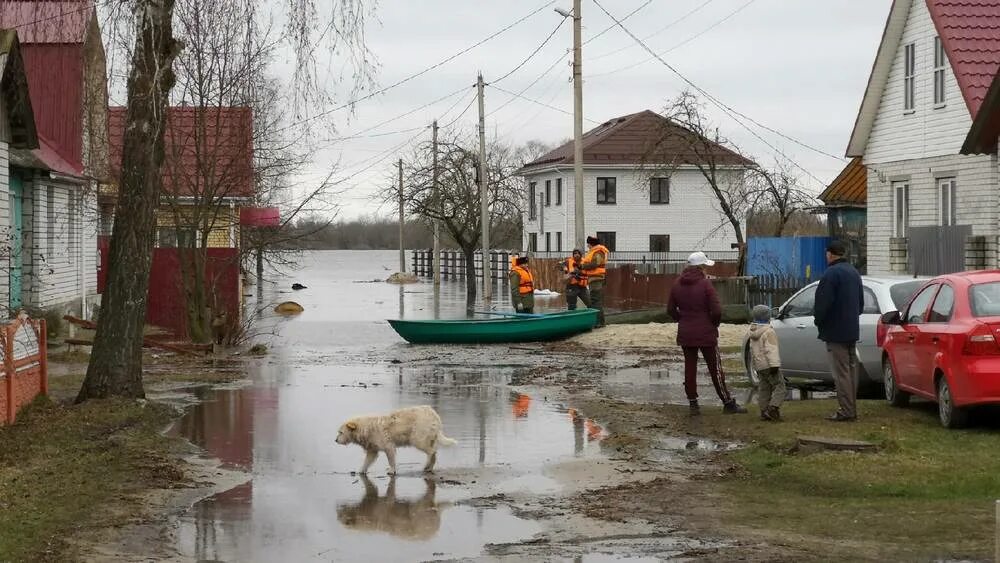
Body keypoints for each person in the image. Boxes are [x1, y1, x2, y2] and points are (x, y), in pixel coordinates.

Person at [668, 251, 747, 415]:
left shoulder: (676, 284)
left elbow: (670, 309)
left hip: (686, 332)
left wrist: (682, 320)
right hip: (706, 332)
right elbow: (716, 310)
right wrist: (713, 324)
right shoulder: (705, 285)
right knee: (715, 368)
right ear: (701, 267)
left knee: (690, 368)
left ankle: (693, 404)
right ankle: (727, 402)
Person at [814, 240, 864, 422]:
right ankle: (852, 407)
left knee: (841, 372)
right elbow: (860, 303)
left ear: (830, 254)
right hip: (851, 329)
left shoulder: (831, 274)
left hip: (835, 331)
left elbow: (822, 304)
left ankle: (847, 410)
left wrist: (818, 321)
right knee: (851, 371)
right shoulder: (853, 272)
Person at [748, 305, 785, 422]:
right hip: (769, 365)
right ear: (767, 317)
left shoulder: (753, 331)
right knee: (780, 387)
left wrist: (754, 365)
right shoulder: (769, 332)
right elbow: (771, 349)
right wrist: (775, 365)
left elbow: (752, 350)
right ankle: (773, 408)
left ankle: (764, 410)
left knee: (764, 388)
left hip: (759, 366)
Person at [579, 236, 609, 326]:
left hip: (597, 278)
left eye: (588, 244)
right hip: (594, 279)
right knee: (595, 300)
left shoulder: (598, 252)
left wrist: (583, 266)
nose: (587, 246)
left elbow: (594, 264)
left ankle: (599, 322)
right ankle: (600, 322)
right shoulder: (594, 252)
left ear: (591, 244)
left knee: (596, 301)